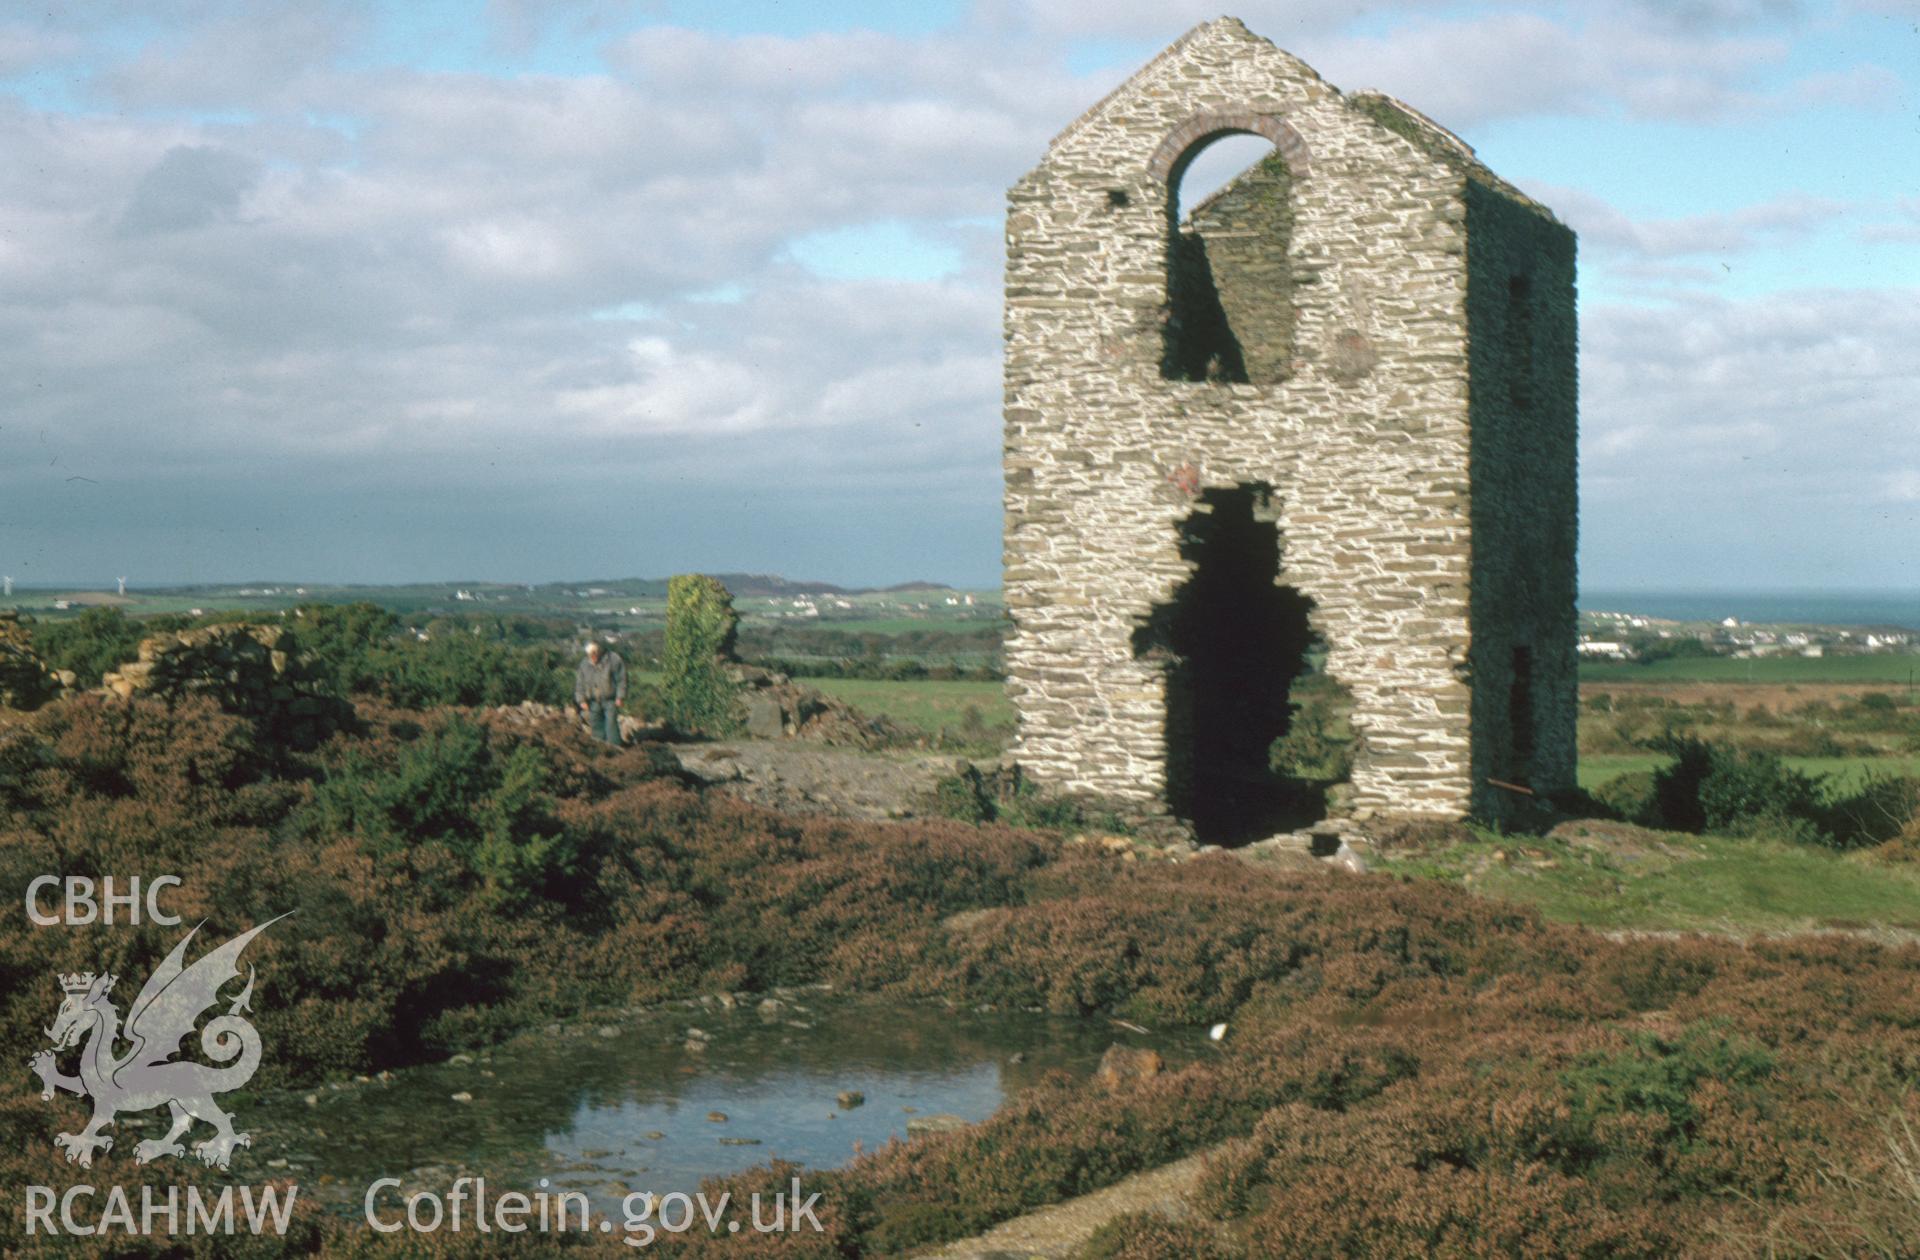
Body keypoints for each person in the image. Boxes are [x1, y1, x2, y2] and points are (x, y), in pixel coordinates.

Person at [574, 640, 626, 746]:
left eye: (594, 653)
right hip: (593, 701)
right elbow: (579, 683)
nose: (592, 656)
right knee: (596, 725)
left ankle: (615, 749)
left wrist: (620, 697)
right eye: (590, 654)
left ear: (599, 651)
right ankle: (600, 749)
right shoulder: (584, 664)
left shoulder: (613, 660)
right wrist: (581, 700)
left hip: (610, 700)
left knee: (611, 725)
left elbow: (622, 679)